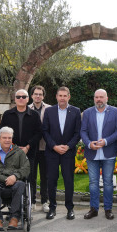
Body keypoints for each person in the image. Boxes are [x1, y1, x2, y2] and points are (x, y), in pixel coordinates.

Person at [80, 89, 117, 220]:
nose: (99, 99)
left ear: (107, 98)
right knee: (93, 182)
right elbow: (83, 131)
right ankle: (94, 209)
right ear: (94, 99)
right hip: (92, 153)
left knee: (108, 183)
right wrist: (88, 144)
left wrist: (106, 141)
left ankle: (108, 209)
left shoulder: (115, 111)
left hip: (108, 153)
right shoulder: (87, 113)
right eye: (96, 97)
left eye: (101, 97)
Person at [42, 86, 81, 220]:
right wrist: (54, 146)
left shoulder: (76, 111)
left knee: (68, 180)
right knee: (51, 180)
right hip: (52, 152)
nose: (62, 98)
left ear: (69, 97)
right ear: (56, 97)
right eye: (60, 95)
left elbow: (77, 133)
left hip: (68, 152)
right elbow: (45, 131)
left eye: (65, 96)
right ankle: (52, 208)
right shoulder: (49, 111)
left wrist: (68, 146)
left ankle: (70, 208)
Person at [0, 89, 42, 210]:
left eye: (24, 97)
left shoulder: (34, 115)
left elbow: (38, 133)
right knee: (12, 177)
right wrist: (14, 148)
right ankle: (12, 205)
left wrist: (28, 146)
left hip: (29, 152)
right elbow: (2, 133)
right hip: (11, 153)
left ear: (28, 99)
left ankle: (29, 203)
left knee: (30, 177)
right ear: (15, 98)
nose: (21, 99)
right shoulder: (8, 114)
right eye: (18, 97)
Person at [0, 126, 30, 231]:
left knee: (21, 184)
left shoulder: (19, 152)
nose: (7, 140)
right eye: (4, 138)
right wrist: (4, 178)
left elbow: (26, 168)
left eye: (9, 138)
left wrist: (15, 176)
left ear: (12, 139)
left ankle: (14, 217)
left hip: (15, 184)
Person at [29, 85, 51, 213]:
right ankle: (32, 201)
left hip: (45, 147)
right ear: (32, 96)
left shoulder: (49, 109)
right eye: (35, 94)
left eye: (40, 94)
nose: (38, 96)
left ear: (43, 96)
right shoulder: (27, 109)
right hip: (31, 148)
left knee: (45, 176)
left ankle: (44, 201)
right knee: (31, 176)